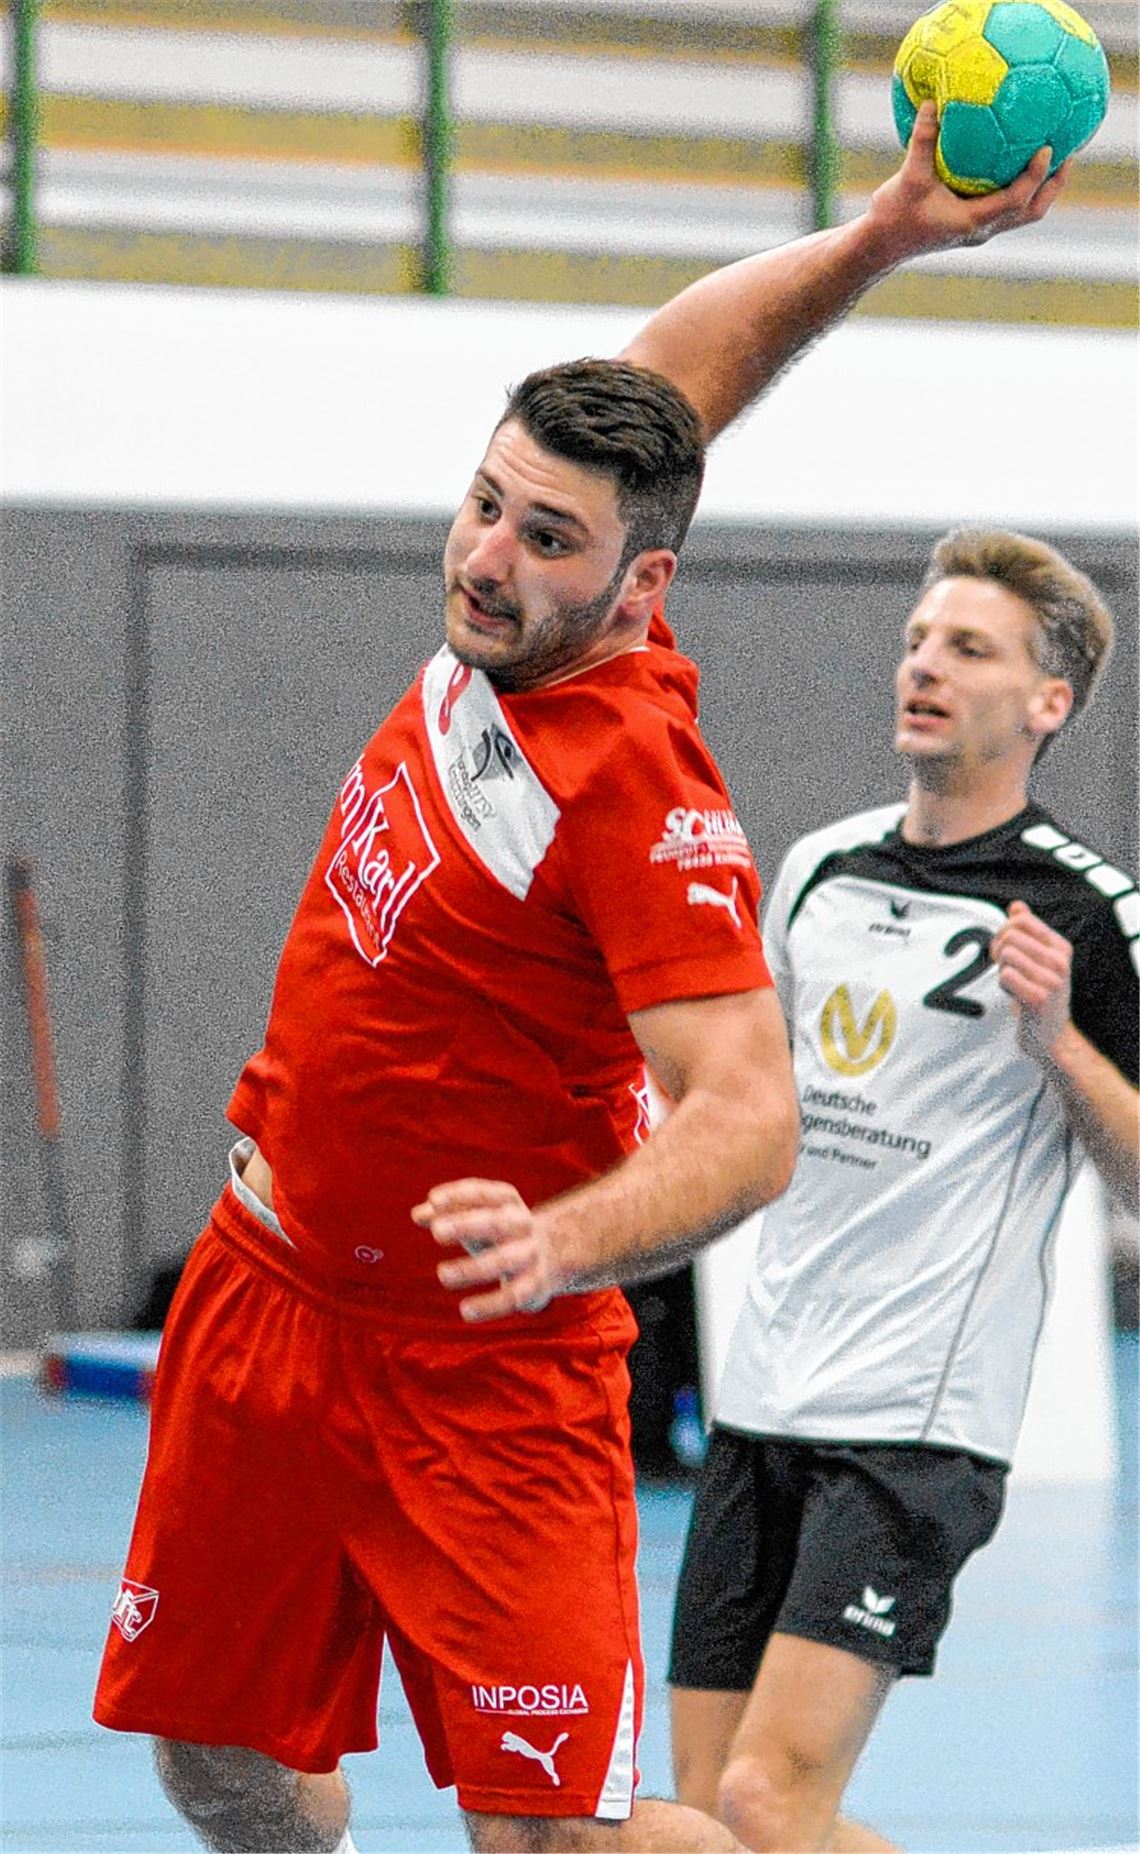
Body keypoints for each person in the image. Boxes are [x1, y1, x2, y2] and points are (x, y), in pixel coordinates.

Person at [94, 108, 1068, 1854]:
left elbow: (752, 1117)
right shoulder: (515, 595)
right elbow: (679, 369)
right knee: (215, 1759)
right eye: (485, 506)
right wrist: (883, 235)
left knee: (559, 1841)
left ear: (642, 583)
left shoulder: (636, 787)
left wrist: (567, 1238)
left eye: (547, 539)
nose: (487, 557)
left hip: (488, 1370)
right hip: (268, 1302)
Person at [668, 528, 1139, 1854]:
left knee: (773, 1802)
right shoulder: (819, 866)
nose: (923, 664)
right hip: (762, 1398)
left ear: (1045, 703)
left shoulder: (1090, 913)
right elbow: (731, 1088)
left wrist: (1059, 1047)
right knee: (703, 1814)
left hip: (914, 1427)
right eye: (918, 638)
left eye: (967, 647)